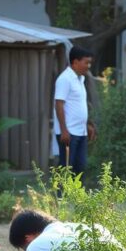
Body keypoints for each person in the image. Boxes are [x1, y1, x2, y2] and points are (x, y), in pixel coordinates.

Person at [53, 45, 95, 176]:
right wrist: (64, 131)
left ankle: (76, 196)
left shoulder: (80, 79)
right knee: (66, 168)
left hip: (80, 132)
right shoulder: (65, 79)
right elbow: (59, 104)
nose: (88, 66)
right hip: (69, 133)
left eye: (90, 63)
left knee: (80, 168)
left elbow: (78, 106)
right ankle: (61, 196)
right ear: (75, 62)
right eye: (86, 62)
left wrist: (87, 124)